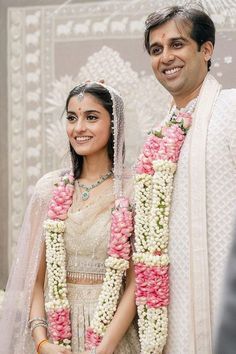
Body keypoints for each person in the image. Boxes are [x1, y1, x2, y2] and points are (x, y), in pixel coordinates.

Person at [0, 82, 140, 354]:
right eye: (72, 118)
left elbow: (135, 283)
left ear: (114, 124)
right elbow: (34, 280)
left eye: (91, 117)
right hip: (55, 337)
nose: (79, 128)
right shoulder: (49, 189)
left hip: (113, 337)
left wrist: (104, 348)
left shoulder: (133, 190)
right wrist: (41, 342)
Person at [134, 4, 236, 354]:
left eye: (177, 45)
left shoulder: (231, 110)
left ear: (206, 50)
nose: (166, 58)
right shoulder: (159, 135)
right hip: (173, 309)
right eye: (156, 50)